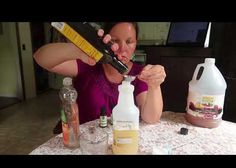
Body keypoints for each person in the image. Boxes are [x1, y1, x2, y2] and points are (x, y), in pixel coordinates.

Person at [34, 22, 166, 132]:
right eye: (115, 41)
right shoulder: (88, 64)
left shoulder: (139, 73)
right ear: (106, 41)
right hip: (86, 144)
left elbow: (150, 118)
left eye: (129, 42)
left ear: (136, 43)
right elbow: (40, 58)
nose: (122, 48)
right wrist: (79, 50)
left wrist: (154, 85)